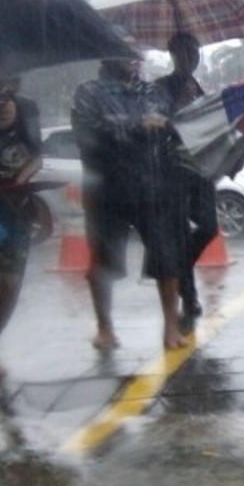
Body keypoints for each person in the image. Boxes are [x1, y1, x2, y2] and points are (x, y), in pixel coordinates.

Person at [71, 27, 188, 351]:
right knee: (103, 261)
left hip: (152, 186)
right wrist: (136, 128)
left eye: (136, 50)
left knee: (166, 257)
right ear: (107, 54)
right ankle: (105, 328)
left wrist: (169, 125)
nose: (133, 56)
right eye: (124, 49)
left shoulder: (154, 92)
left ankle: (171, 327)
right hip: (106, 191)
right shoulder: (88, 91)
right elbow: (88, 134)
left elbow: (173, 130)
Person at [155, 32, 217, 320]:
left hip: (201, 167)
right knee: (179, 234)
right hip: (172, 169)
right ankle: (189, 298)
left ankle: (177, 271)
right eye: (185, 53)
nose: (191, 58)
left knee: (209, 227)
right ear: (173, 55)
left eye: (195, 53)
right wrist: (176, 109)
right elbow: (156, 123)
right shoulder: (161, 87)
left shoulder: (197, 86)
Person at [0, 74, 43, 377]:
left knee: (11, 284)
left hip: (16, 206)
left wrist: (22, 179)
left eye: (9, 86)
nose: (2, 95)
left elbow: (37, 156)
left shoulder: (27, 109)